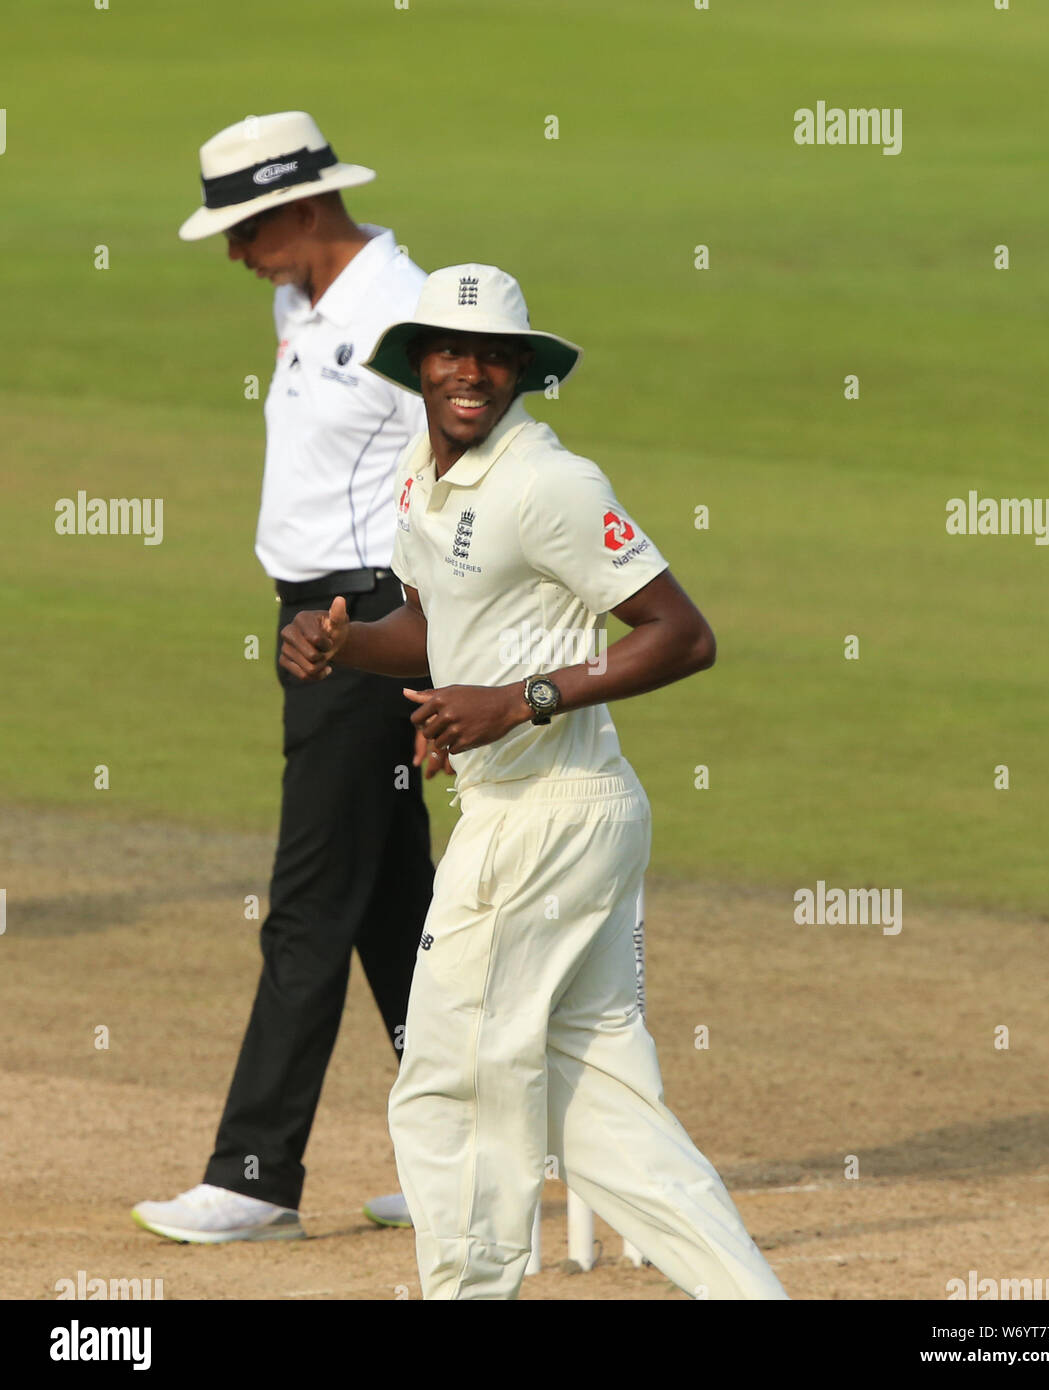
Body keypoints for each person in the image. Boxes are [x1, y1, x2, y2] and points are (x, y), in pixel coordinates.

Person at [278, 263, 789, 1299]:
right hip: (544, 815)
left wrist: (518, 702)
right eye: (453, 353)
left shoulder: (548, 480)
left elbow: (682, 636)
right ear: (417, 363)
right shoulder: (421, 477)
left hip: (547, 819)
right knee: (603, 1118)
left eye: (496, 356)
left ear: (522, 371)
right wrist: (347, 646)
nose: (472, 373)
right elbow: (432, 627)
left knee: (452, 1088)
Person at [132, 111, 436, 1244]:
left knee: (308, 904)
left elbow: (463, 463)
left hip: (365, 629)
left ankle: (255, 1174)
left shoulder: (403, 307)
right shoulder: (298, 300)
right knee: (395, 908)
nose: (232, 251)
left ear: (303, 209)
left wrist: (412, 630)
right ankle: (479, 1156)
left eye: (244, 227)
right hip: (308, 619)